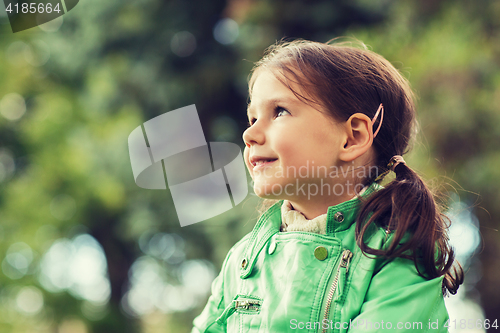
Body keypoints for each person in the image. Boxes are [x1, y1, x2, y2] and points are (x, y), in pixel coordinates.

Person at [191, 39, 463, 333]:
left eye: (279, 111)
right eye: (253, 117)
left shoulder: (396, 249)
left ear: (352, 138)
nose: (250, 134)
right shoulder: (243, 260)